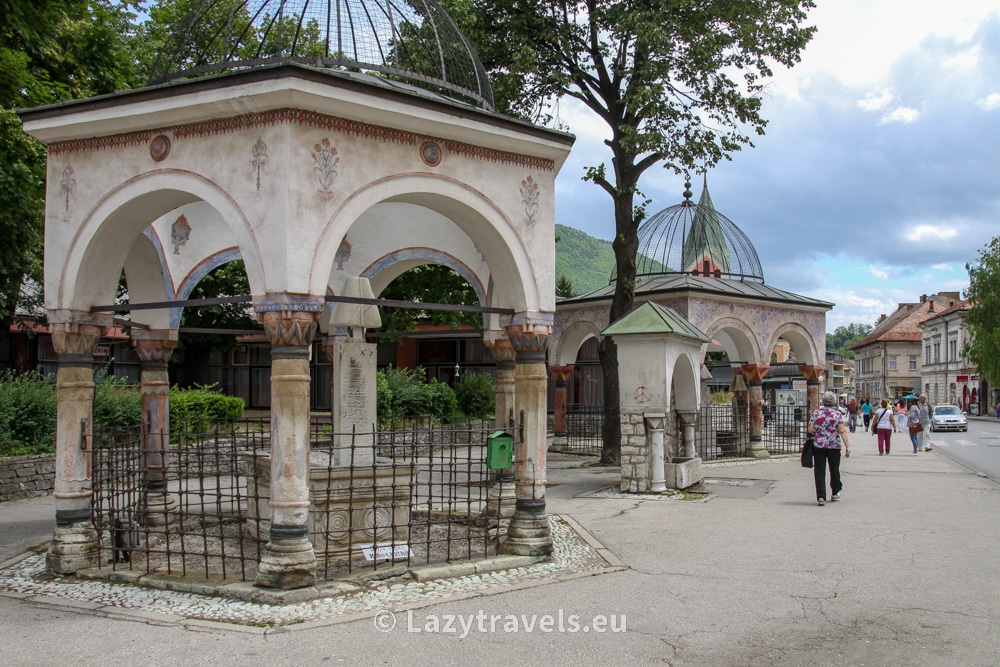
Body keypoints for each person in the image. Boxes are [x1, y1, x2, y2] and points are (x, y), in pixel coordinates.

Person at [807, 391, 851, 506]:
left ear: (823, 401)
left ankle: (821, 496)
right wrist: (847, 446)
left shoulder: (816, 413)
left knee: (819, 471)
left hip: (819, 445)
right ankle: (835, 492)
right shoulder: (837, 415)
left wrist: (819, 431)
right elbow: (842, 430)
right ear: (834, 402)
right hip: (834, 446)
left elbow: (810, 430)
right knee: (834, 469)